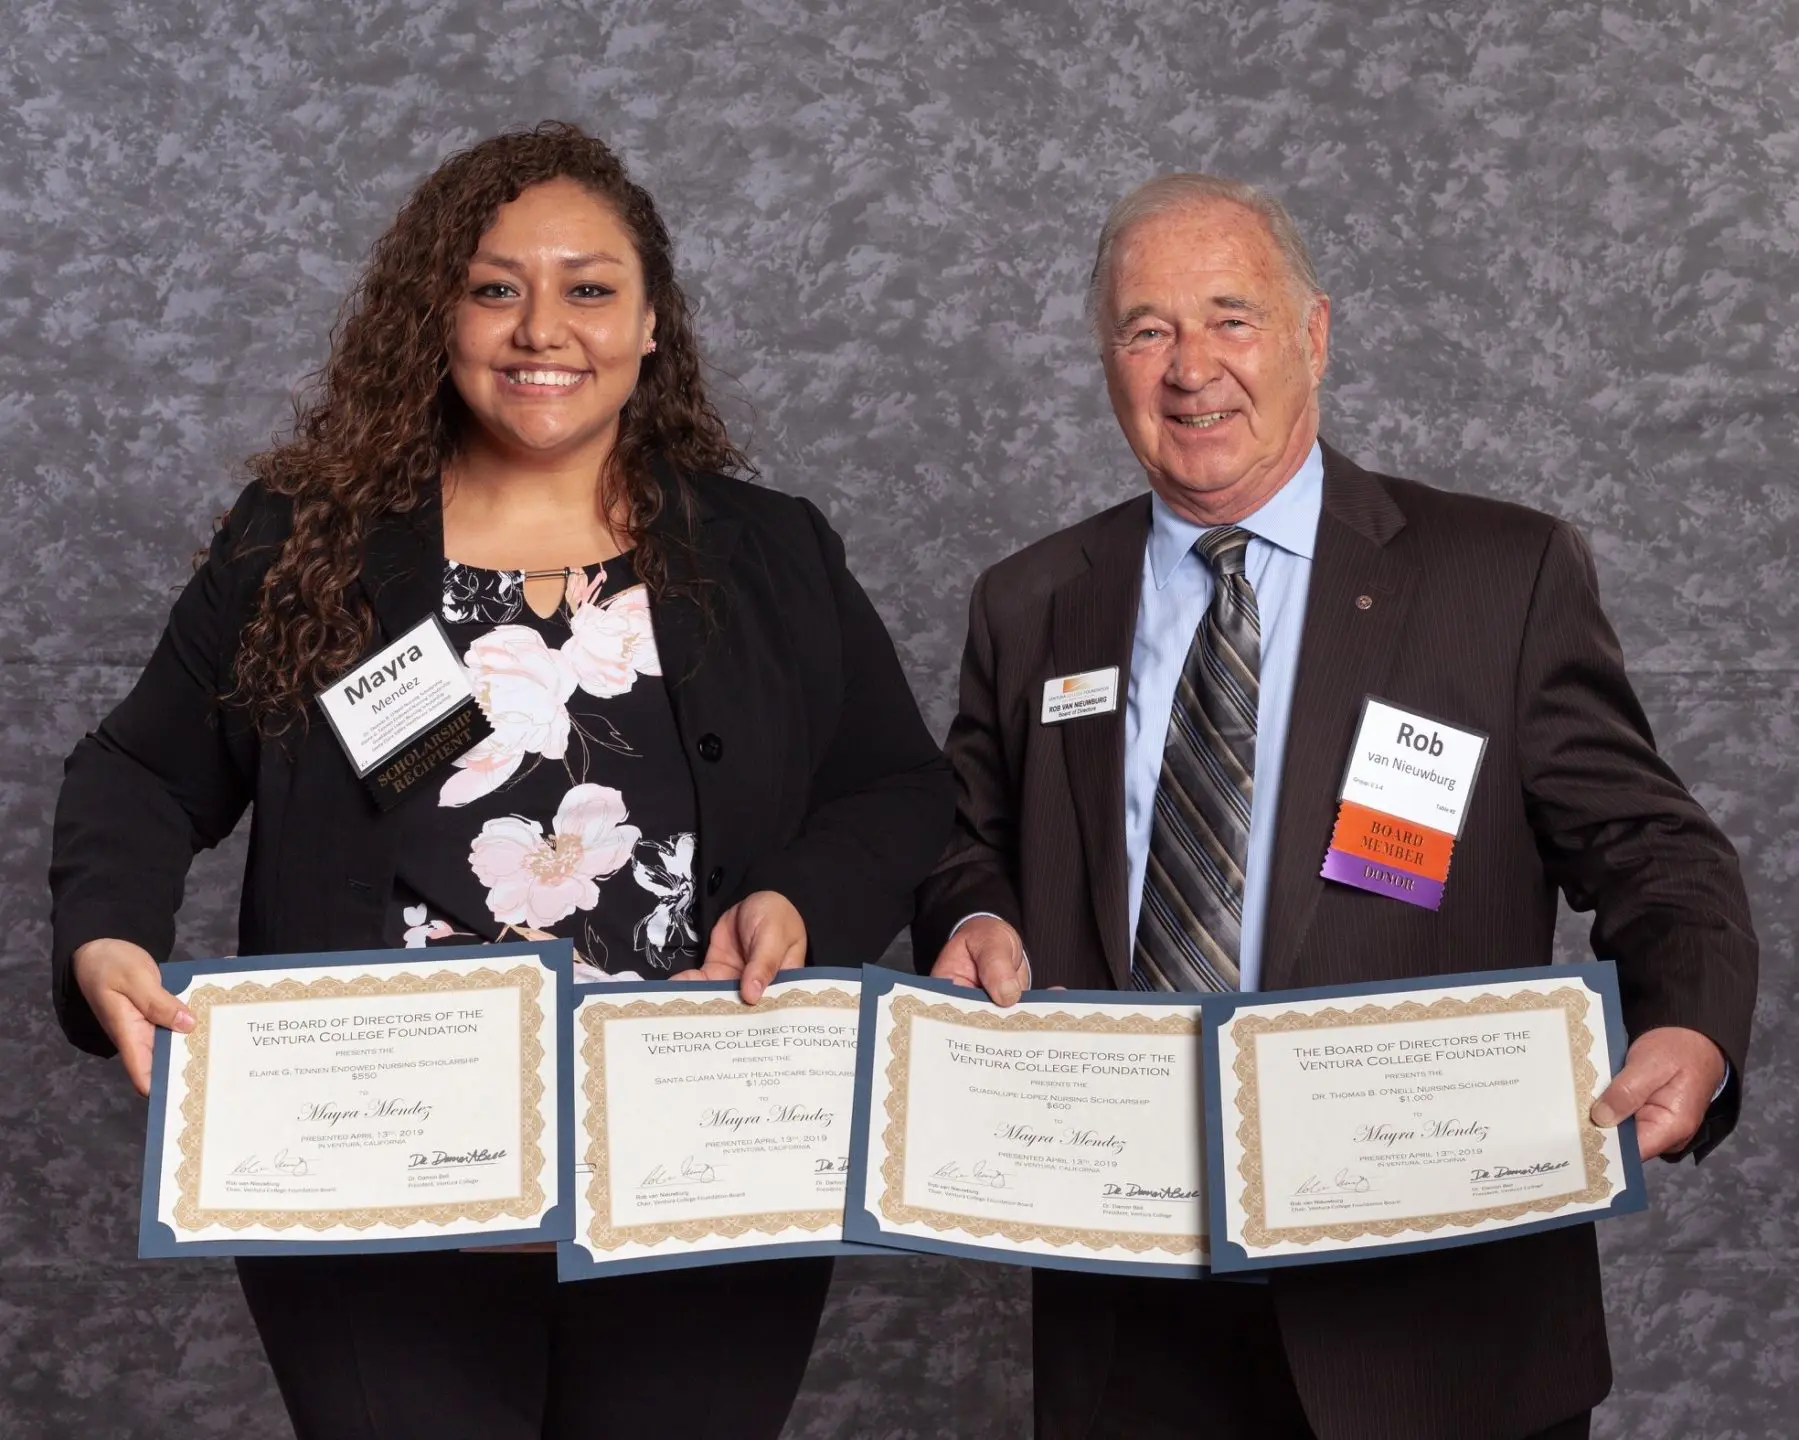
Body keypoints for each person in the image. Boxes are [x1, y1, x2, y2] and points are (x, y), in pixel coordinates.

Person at [49, 121, 954, 1440]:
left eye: (589, 288)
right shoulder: (304, 545)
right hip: (368, 1206)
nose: (543, 329)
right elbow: (139, 767)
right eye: (493, 286)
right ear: (439, 317)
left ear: (650, 326)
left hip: (700, 1198)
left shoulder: (768, 553)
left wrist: (802, 906)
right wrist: (108, 938)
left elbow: (893, 788)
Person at [913, 173, 1757, 1440]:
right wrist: (971, 908)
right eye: (1146, 329)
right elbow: (963, 840)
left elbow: (1648, 846)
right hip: (1130, 1304)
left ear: (1313, 333)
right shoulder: (1032, 600)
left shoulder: (1497, 573)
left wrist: (1690, 1023)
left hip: (1434, 1318)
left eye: (1229, 318)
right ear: (1105, 361)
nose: (1190, 368)